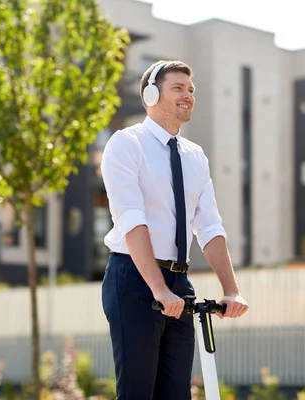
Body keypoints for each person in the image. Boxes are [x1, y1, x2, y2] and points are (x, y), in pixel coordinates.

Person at [100, 60, 249, 400]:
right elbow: (132, 220)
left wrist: (231, 291)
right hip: (134, 279)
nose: (188, 95)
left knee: (176, 393)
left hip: (179, 283)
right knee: (137, 392)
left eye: (192, 90)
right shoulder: (126, 144)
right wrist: (157, 288)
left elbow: (209, 225)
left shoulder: (195, 156)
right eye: (178, 88)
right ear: (151, 94)